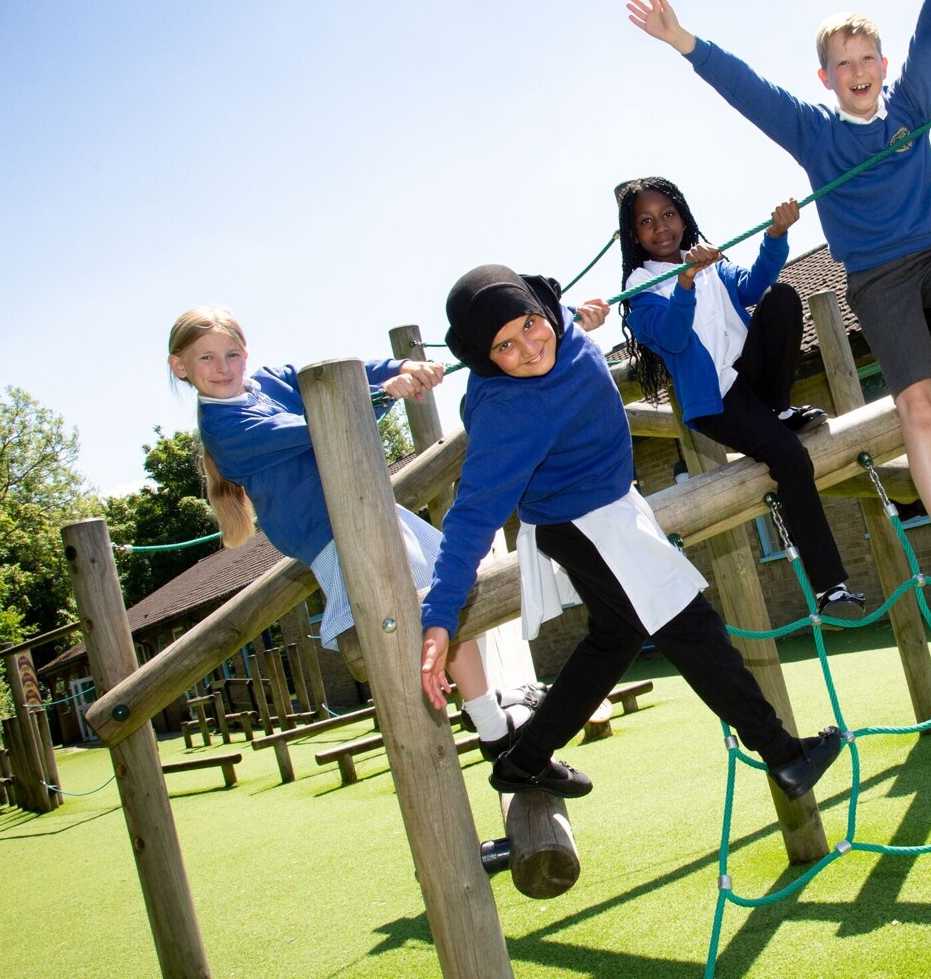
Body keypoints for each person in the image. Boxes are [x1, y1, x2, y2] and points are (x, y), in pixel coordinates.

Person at [626, 0, 931, 583]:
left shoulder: (910, 104)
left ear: (882, 66)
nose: (857, 72)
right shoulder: (816, 136)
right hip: (877, 283)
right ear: (826, 76)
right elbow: (748, 88)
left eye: (866, 59)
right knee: (918, 401)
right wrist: (683, 41)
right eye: (842, 64)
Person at [418, 266, 843, 803]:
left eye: (530, 323)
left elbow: (559, 314)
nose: (528, 348)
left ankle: (523, 761)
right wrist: (439, 617)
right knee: (692, 626)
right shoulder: (509, 412)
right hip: (589, 526)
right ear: (483, 357)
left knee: (613, 639)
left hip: (609, 508)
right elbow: (471, 518)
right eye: (504, 346)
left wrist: (578, 314)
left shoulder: (560, 325)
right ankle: (784, 755)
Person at [167, 306, 537, 756]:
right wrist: (386, 394)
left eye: (231, 354)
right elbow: (321, 429)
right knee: (418, 619)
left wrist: (400, 367)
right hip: (335, 535)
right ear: (180, 367)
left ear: (246, 354)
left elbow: (338, 377)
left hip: (365, 510)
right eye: (205, 359)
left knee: (448, 592)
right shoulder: (226, 428)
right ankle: (485, 727)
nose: (222, 368)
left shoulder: (266, 382)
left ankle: (489, 720)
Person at [616, 177, 868, 618]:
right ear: (634, 235)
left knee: (782, 297)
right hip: (718, 400)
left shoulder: (708, 259)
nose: (661, 228)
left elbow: (753, 288)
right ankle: (831, 590)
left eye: (668, 215)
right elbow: (674, 338)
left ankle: (779, 407)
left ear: (683, 216)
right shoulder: (640, 294)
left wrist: (775, 236)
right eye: (647, 221)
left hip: (752, 377)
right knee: (790, 457)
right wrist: (686, 281)